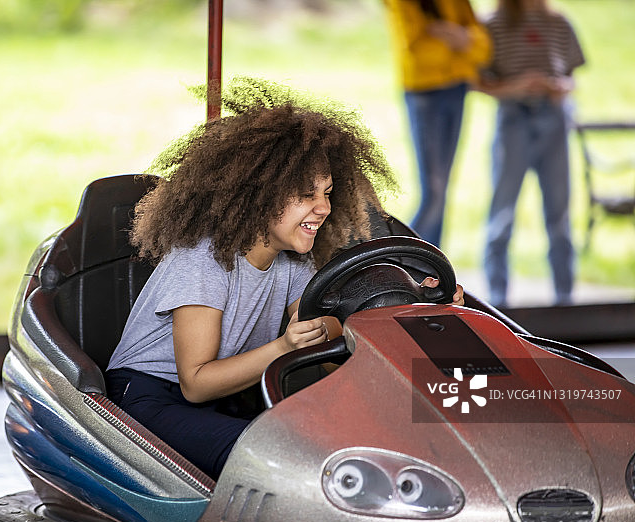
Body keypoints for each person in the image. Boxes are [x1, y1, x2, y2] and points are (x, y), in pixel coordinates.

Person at [105, 79, 465, 479]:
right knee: (274, 461)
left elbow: (321, 335)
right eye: (306, 195)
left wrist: (413, 311)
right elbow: (197, 382)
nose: (324, 208)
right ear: (257, 195)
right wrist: (285, 345)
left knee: (347, 443)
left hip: (229, 396)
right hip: (146, 400)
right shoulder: (203, 260)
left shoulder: (292, 260)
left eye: (328, 193)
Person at [477, 0, 585, 307]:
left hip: (554, 117)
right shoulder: (493, 23)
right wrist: (518, 86)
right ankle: (498, 301)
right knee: (502, 212)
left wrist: (557, 86)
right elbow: (480, 81)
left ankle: (566, 299)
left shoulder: (559, 22)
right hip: (514, 118)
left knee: (560, 212)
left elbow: (571, 75)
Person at [385, 0, 492, 246]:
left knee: (442, 190)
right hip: (425, 93)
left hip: (456, 89)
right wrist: (462, 42)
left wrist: (453, 37)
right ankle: (396, 257)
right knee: (433, 191)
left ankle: (431, 270)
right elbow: (417, 53)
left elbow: (485, 47)